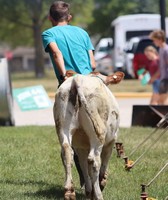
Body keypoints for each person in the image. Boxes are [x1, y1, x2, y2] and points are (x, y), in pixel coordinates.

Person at [41, 0, 124, 87]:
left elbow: (56, 53)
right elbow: (93, 64)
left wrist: (64, 76)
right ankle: (104, 78)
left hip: (70, 83)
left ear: (49, 18)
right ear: (69, 17)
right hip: (89, 80)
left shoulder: (48, 34)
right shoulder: (83, 32)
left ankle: (72, 75)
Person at [149, 30, 168, 105]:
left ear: (160, 39)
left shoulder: (166, 50)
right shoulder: (161, 49)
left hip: (166, 79)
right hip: (163, 78)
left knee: (163, 101)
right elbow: (161, 67)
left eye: (155, 40)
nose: (154, 42)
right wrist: (153, 78)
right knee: (161, 102)